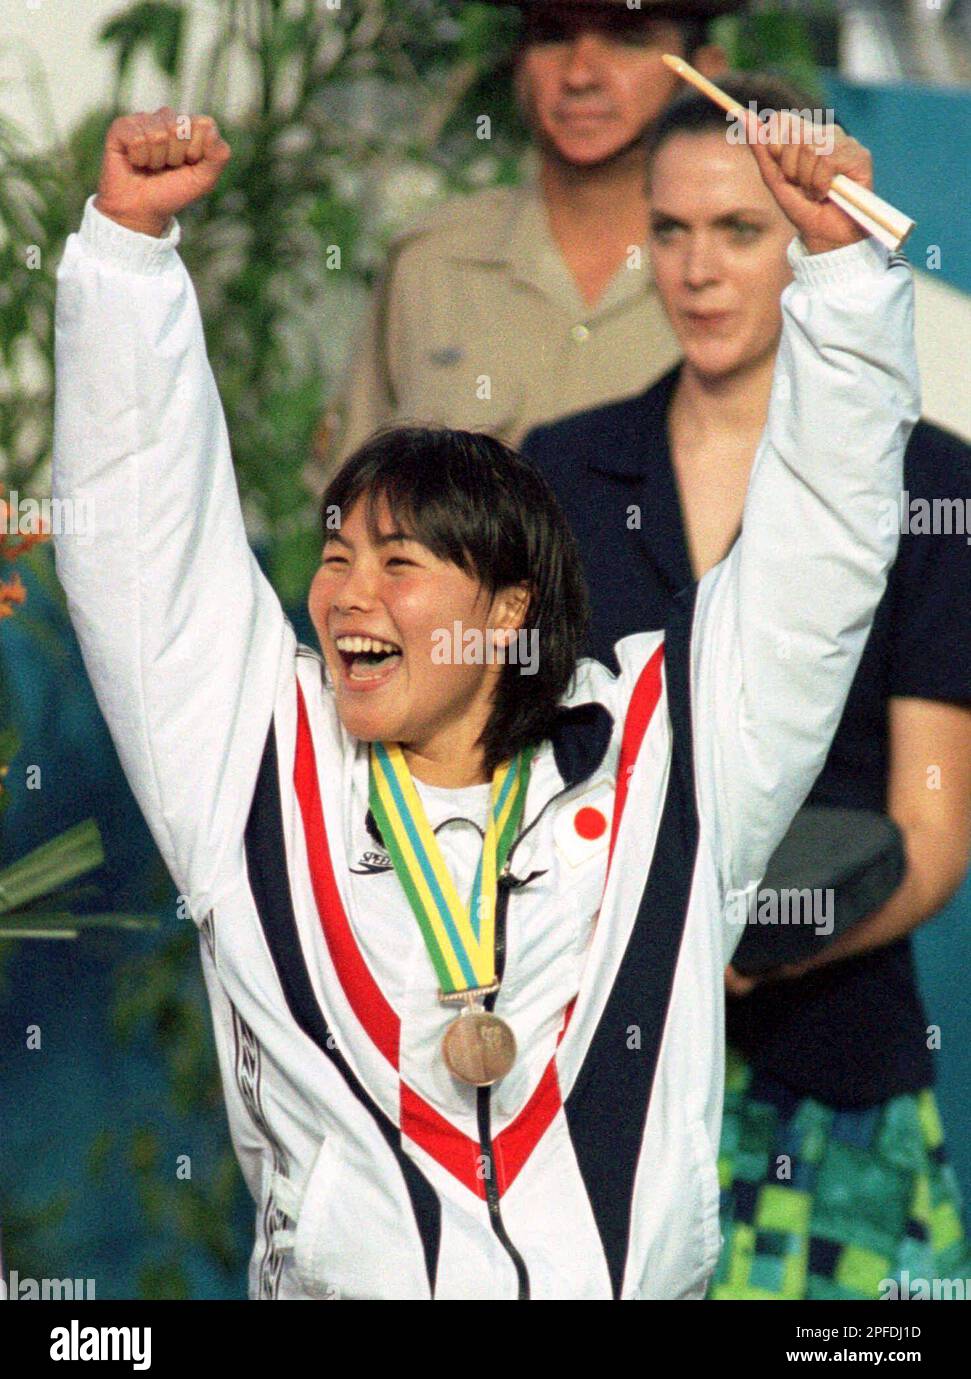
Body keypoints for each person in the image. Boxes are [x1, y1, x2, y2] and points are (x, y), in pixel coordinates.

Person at [53, 102, 917, 1301]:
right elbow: (140, 547)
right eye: (336, 555)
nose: (348, 594)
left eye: (400, 565)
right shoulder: (255, 765)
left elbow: (816, 555)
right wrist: (129, 258)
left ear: (504, 613)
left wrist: (840, 273)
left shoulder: (666, 761)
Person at [522, 74, 971, 1299]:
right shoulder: (557, 472)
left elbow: (931, 835)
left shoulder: (928, 484)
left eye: (737, 230)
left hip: (830, 1088)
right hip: (587, 1076)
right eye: (668, 231)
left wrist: (735, 941)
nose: (697, 270)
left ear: (805, 233)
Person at [307, 0, 744, 490]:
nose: (580, 74)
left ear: (705, 72)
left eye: (627, 38)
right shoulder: (432, 262)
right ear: (517, 64)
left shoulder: (749, 273)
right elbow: (355, 507)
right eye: (553, 36)